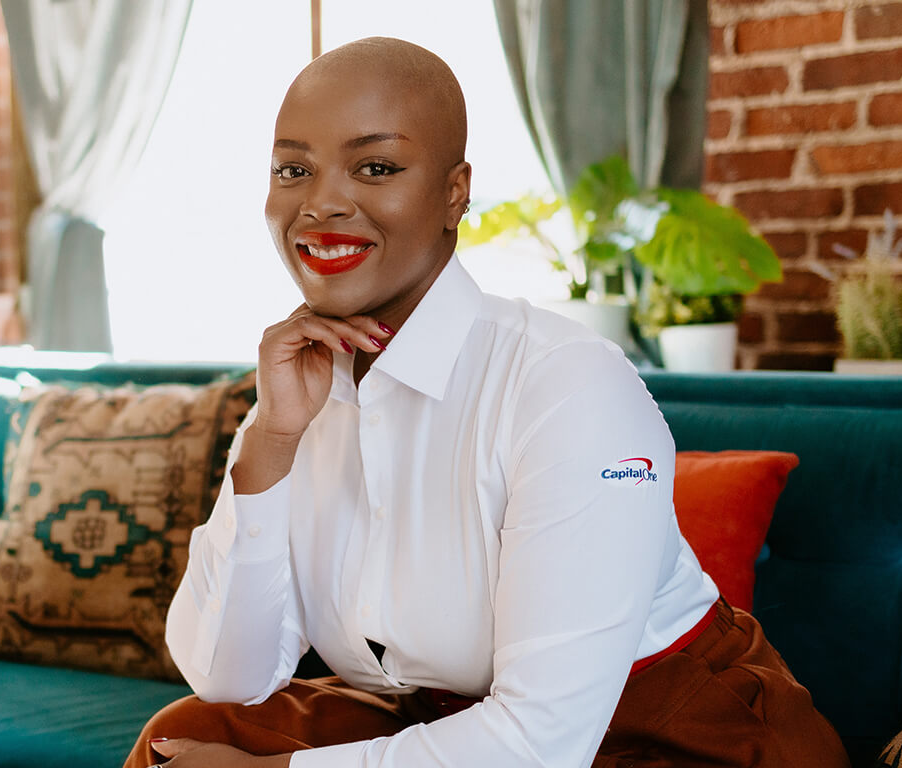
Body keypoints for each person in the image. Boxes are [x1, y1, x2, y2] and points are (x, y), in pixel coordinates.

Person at [126, 37, 848, 768]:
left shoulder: (567, 384)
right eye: (293, 169)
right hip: (455, 719)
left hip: (675, 737)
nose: (322, 204)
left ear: (455, 192)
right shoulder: (299, 391)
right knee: (187, 733)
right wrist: (270, 443)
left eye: (376, 167)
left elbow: (541, 740)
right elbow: (228, 677)